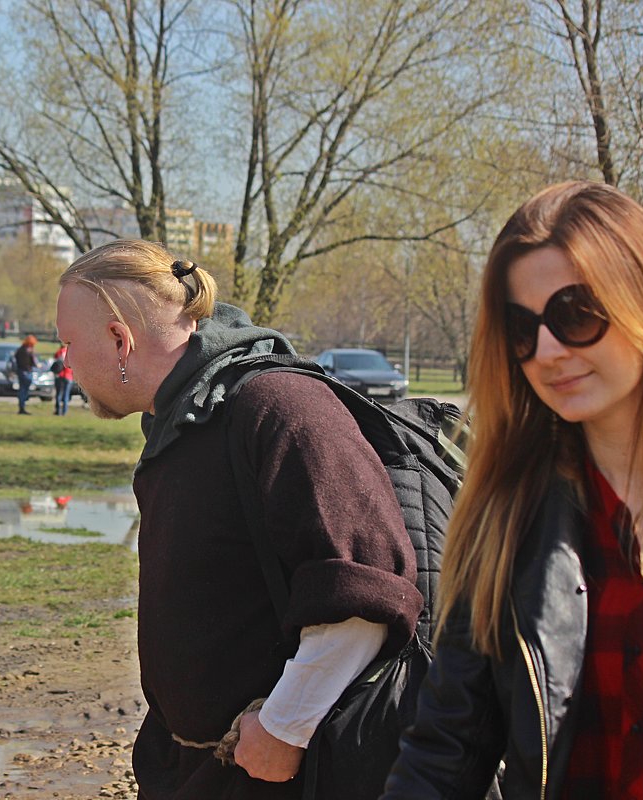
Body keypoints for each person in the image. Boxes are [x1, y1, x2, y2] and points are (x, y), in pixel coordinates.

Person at [384, 181, 643, 799]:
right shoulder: (505, 517)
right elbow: (444, 753)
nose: (547, 351)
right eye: (523, 327)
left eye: (575, 312)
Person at [56, 239, 421, 798]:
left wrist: (282, 728)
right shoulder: (181, 423)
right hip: (205, 772)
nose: (65, 362)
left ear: (118, 339)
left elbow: (363, 591)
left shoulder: (279, 405)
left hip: (284, 774)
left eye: (69, 343)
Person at [13, 333, 38, 414]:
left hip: (20, 371)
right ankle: (24, 402)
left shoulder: (20, 349)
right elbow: (34, 362)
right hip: (27, 371)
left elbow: (15, 358)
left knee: (22, 389)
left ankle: (21, 406)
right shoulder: (29, 351)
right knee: (25, 389)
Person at [52, 341, 73, 415]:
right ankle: (64, 411)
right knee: (66, 394)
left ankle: (58, 411)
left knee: (59, 394)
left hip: (60, 375)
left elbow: (55, 362)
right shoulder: (71, 352)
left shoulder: (59, 352)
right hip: (69, 376)